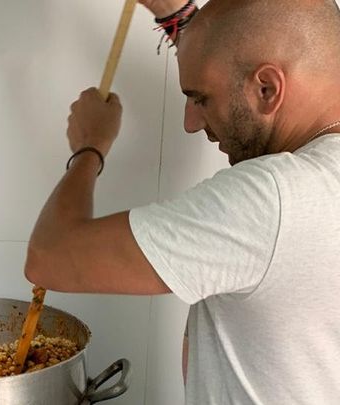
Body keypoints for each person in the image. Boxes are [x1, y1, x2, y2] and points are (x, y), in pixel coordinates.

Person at [24, 0, 340, 403]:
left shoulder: (270, 200)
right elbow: (236, 58)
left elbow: (50, 258)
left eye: (200, 98)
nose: (191, 123)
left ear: (267, 89)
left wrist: (89, 148)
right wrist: (181, 19)